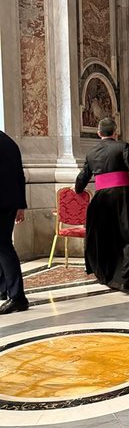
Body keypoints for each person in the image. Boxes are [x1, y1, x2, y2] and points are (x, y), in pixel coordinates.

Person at [75, 117, 129, 292]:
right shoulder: (122, 147)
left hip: (101, 199)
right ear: (115, 132)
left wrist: (78, 190)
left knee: (107, 237)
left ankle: (109, 274)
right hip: (123, 197)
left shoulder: (91, 153)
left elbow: (83, 177)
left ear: (98, 133)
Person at [0, 131, 29, 315]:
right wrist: (20, 205)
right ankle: (4, 288)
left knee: (3, 247)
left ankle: (17, 297)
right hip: (9, 202)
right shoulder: (9, 142)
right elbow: (20, 175)